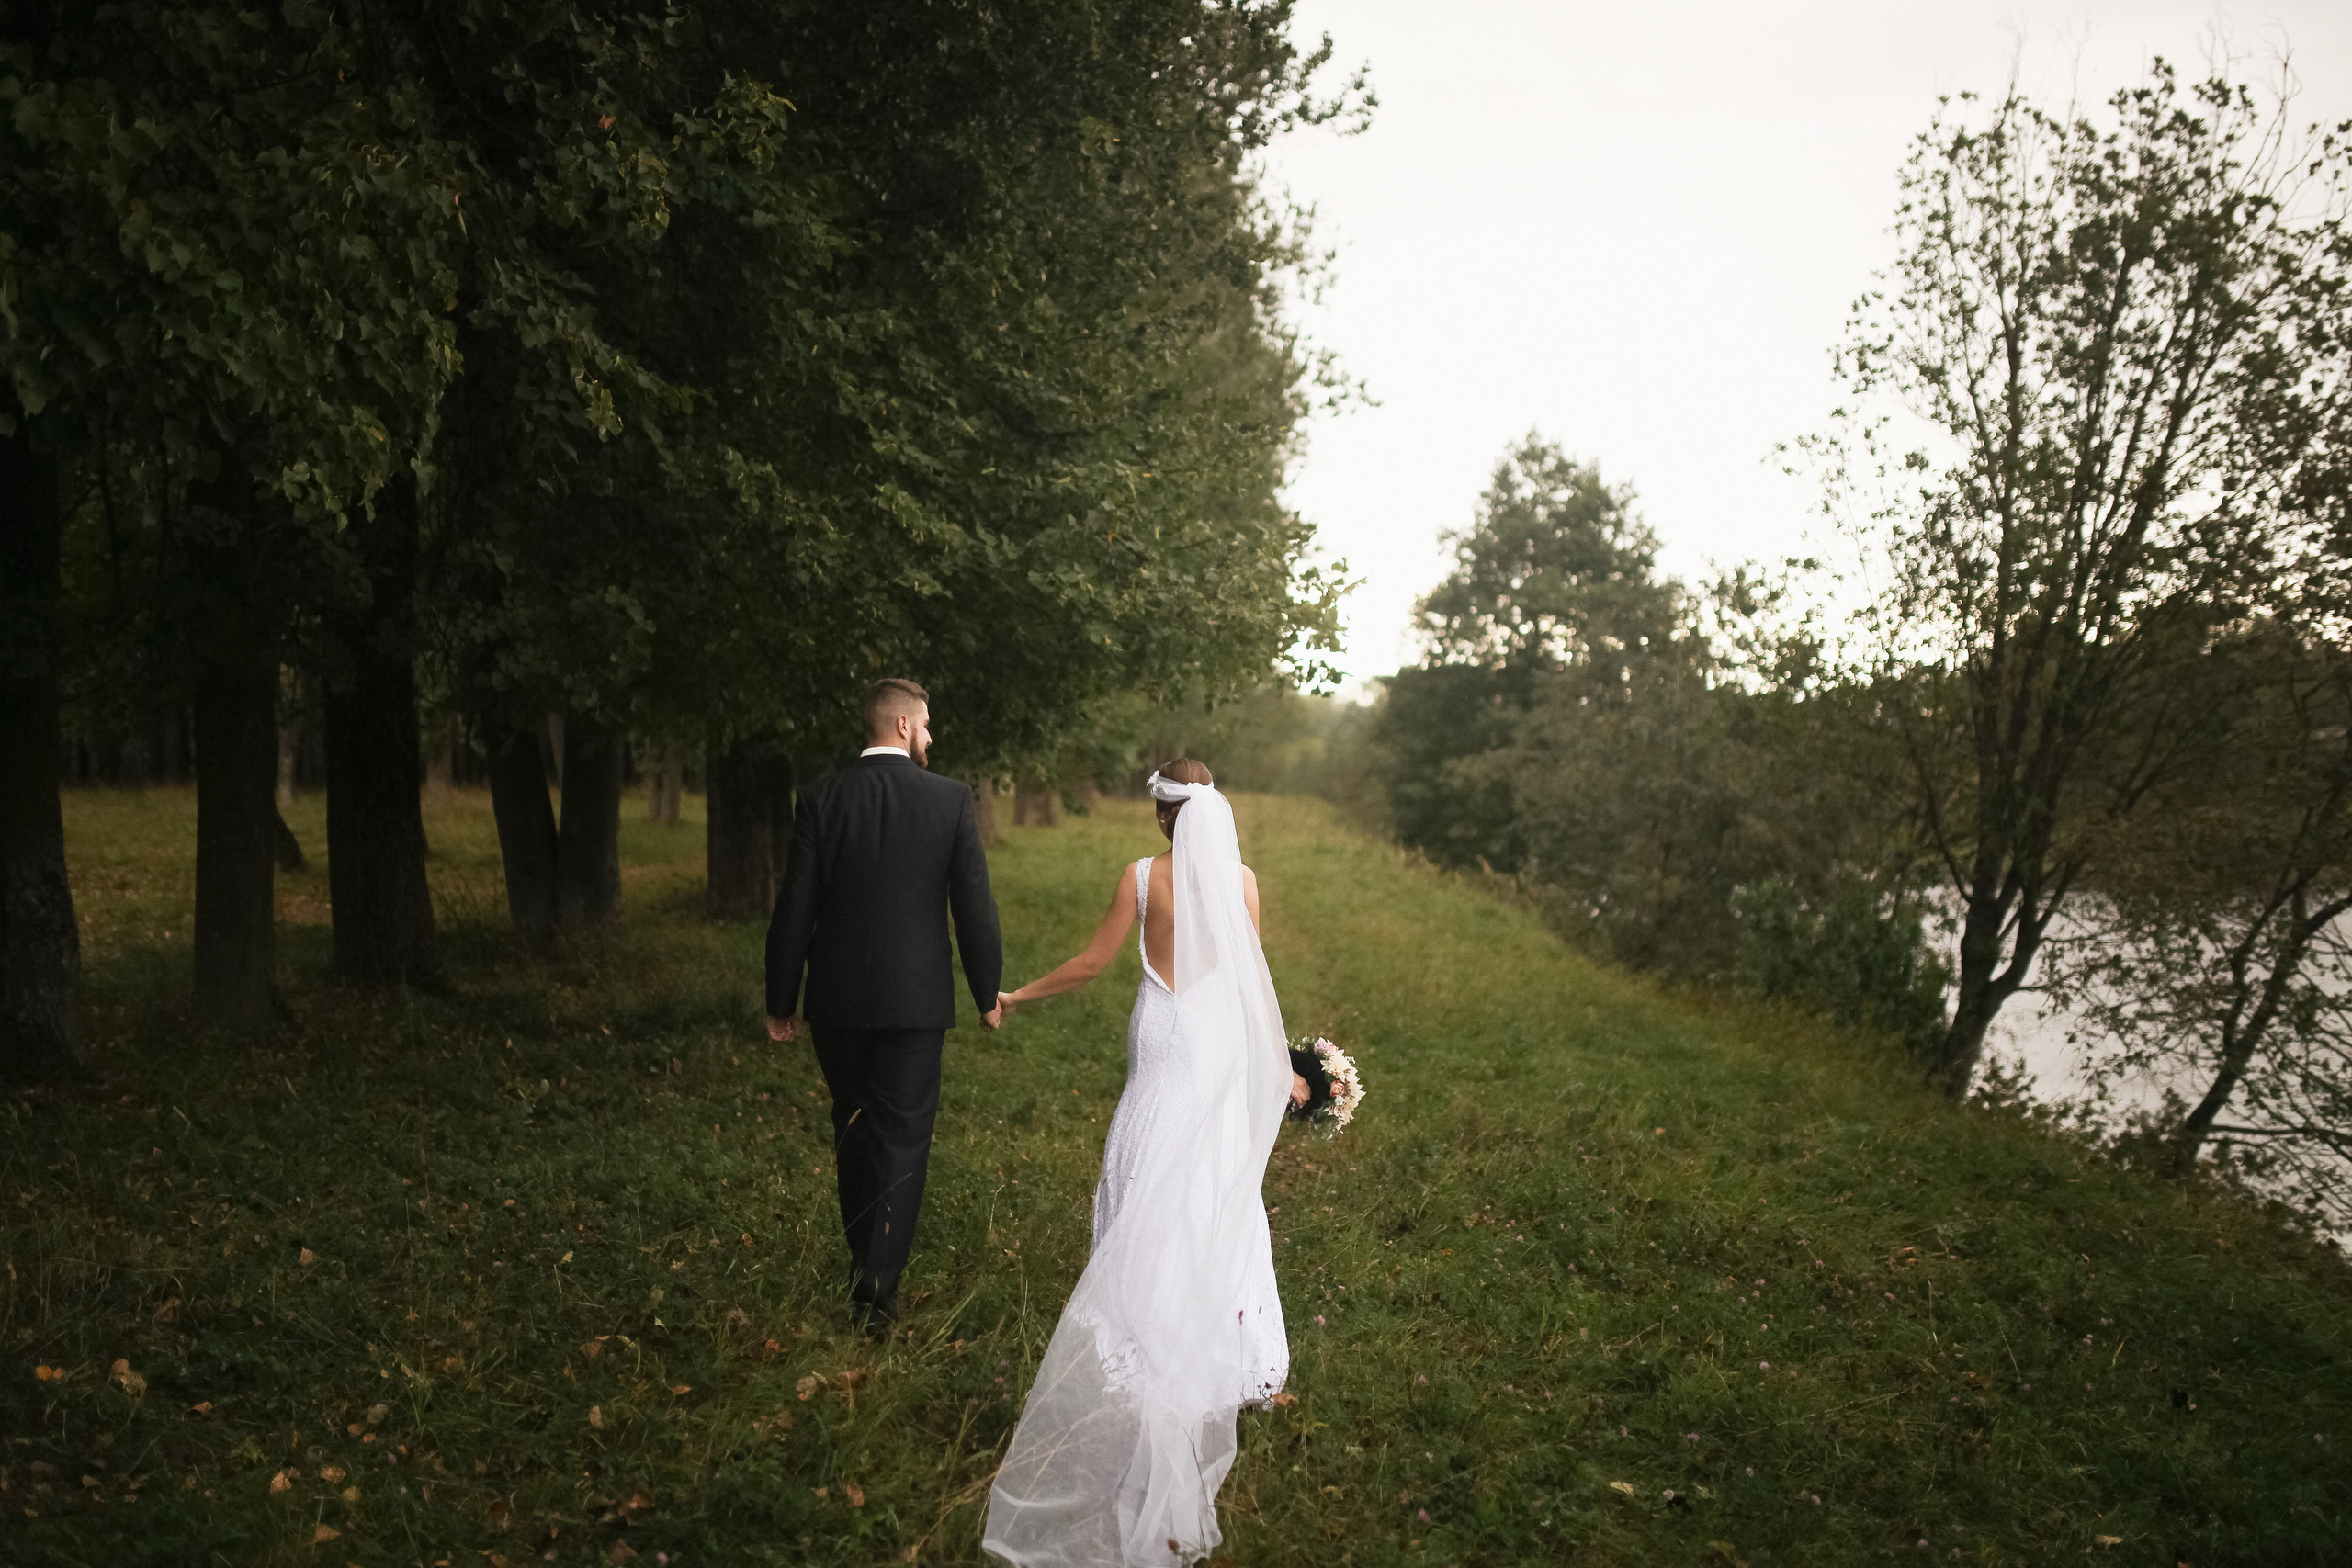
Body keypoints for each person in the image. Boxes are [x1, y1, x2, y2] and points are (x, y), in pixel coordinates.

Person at [982, 759, 1309, 1567]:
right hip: (1211, 1039)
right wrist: (1279, 1068)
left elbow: (1094, 963)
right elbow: (1248, 985)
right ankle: (1207, 1312)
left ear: (1163, 814)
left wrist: (1017, 995)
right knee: (1203, 1174)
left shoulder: (1140, 877)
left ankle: (1140, 1312)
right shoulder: (1244, 882)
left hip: (1162, 1036)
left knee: (1145, 1141)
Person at [763, 678, 1003, 1337]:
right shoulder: (950, 800)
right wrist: (987, 993)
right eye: (926, 725)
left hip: (836, 1001)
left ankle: (866, 1263)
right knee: (899, 1136)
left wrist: (781, 997)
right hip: (915, 1004)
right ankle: (874, 1288)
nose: (931, 736)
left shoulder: (820, 797)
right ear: (901, 726)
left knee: (855, 1126)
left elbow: (795, 907)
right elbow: (974, 908)